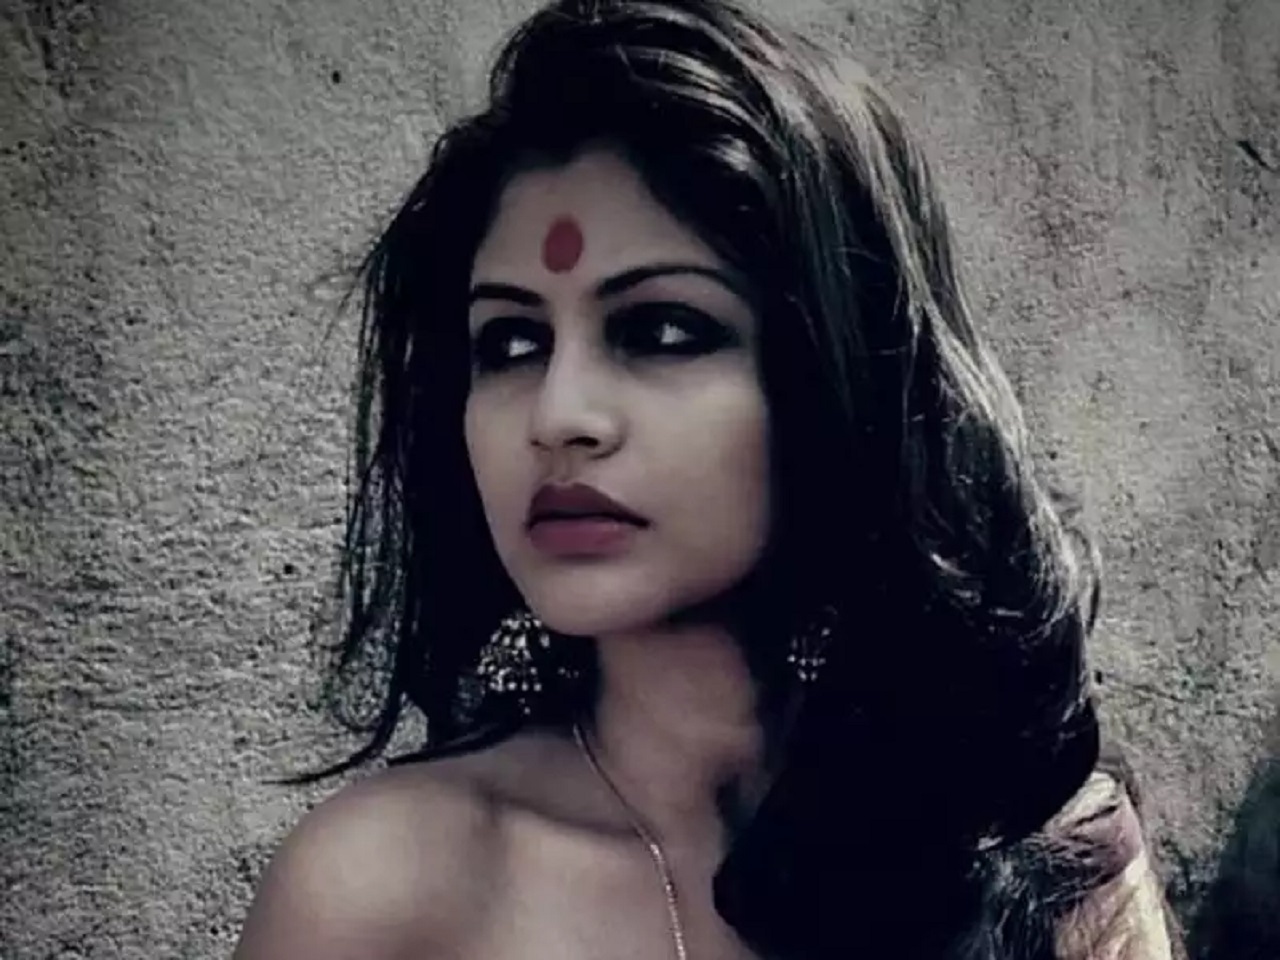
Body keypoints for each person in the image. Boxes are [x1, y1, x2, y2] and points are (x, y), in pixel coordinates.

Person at [233, 1, 1185, 957]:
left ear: (838, 374)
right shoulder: (382, 889)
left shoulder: (1040, 850)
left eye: (660, 330)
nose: (558, 414)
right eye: (511, 343)